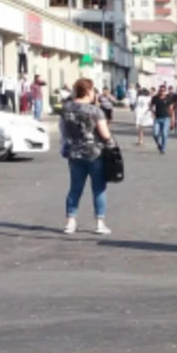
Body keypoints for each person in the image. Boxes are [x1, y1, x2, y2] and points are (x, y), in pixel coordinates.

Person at [60, 78, 114, 236]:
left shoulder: (66, 108)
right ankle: (100, 222)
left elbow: (63, 130)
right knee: (98, 188)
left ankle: (70, 221)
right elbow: (105, 134)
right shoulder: (95, 111)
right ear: (89, 91)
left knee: (75, 187)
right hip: (94, 153)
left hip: (74, 153)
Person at [150, 84, 177, 153]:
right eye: (161, 90)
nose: (162, 91)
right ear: (159, 90)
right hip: (157, 118)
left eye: (163, 90)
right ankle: (158, 144)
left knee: (164, 134)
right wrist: (153, 113)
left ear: (165, 91)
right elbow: (151, 106)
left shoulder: (168, 99)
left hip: (166, 118)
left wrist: (173, 121)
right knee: (155, 134)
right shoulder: (155, 98)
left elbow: (171, 110)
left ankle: (163, 148)